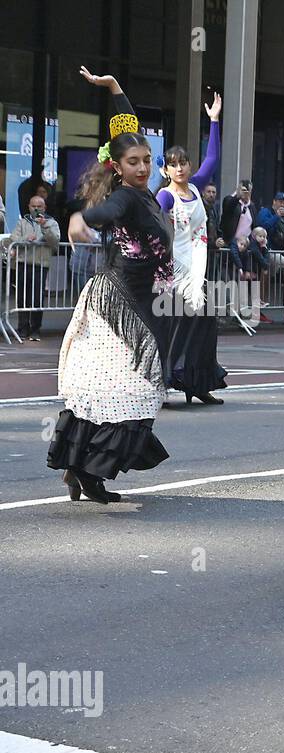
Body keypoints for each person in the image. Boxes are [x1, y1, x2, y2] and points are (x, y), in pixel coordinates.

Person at [46, 68, 171, 505]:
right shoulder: (125, 197)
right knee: (132, 392)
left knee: (121, 393)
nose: (141, 168)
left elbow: (130, 129)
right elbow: (106, 211)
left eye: (146, 161)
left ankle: (81, 470)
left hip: (140, 302)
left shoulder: (148, 192)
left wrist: (115, 87)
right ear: (117, 167)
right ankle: (87, 470)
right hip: (118, 306)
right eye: (133, 163)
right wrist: (82, 217)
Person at [157, 91, 226, 403]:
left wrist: (213, 120)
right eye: (174, 165)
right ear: (167, 170)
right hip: (176, 273)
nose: (181, 169)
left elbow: (212, 158)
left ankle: (199, 385)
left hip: (199, 272)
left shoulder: (196, 188)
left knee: (204, 329)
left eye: (183, 162)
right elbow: (154, 230)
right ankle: (168, 382)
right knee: (179, 329)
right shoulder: (165, 197)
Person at [5, 191, 62, 342]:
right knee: (22, 297)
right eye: (33, 206)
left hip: (40, 264)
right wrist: (26, 239)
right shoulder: (22, 222)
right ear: (28, 207)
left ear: (45, 207)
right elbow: (14, 238)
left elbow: (55, 242)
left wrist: (44, 227)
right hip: (22, 263)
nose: (36, 209)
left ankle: (36, 329)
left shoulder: (52, 223)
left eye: (40, 206)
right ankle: (22, 328)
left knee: (37, 297)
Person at [219, 179, 255, 248]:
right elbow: (229, 207)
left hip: (246, 245)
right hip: (231, 243)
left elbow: (254, 225)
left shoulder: (251, 206)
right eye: (244, 190)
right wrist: (238, 196)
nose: (246, 192)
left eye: (249, 191)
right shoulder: (229, 199)